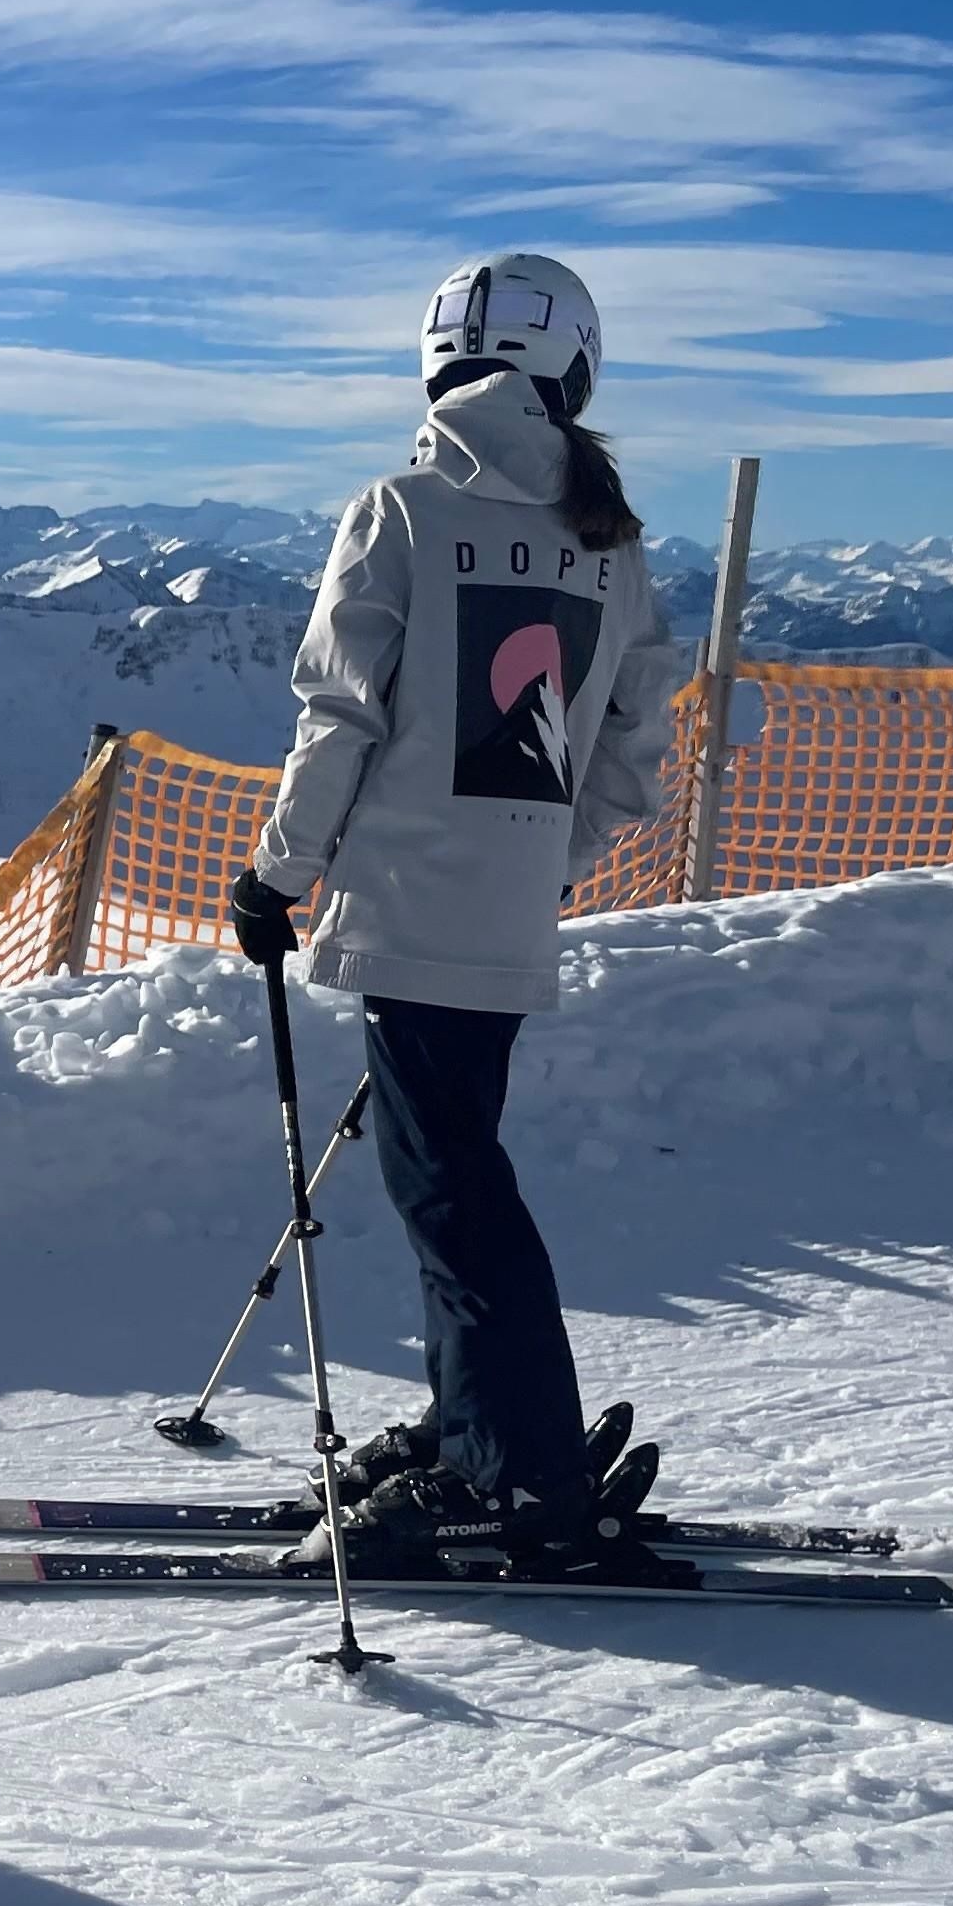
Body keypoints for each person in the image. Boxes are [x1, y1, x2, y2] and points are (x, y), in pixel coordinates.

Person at [227, 253, 682, 1581]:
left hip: (406, 906)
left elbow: (340, 714)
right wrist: (543, 860)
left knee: (453, 1192)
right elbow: (634, 747)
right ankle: (478, 1421)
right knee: (456, 1170)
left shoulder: (403, 510)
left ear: (439, 366)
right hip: (507, 911)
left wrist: (280, 873)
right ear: (573, 371)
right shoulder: (612, 540)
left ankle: (517, 1474)